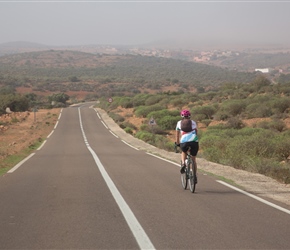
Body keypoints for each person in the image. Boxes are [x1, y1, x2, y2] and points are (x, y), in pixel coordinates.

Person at [175, 109, 199, 183]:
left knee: (184, 152)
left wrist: (177, 143)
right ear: (189, 116)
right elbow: (196, 132)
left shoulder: (179, 123)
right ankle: (194, 176)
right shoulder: (193, 122)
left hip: (184, 141)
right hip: (194, 141)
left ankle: (183, 164)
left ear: (182, 116)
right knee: (193, 159)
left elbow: (177, 134)